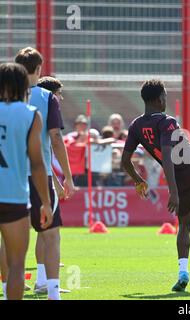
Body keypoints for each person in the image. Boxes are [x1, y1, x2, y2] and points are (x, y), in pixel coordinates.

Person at [121, 79, 190, 292]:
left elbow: (125, 161)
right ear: (161, 99)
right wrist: (172, 193)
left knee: (184, 226)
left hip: (179, 180)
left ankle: (183, 272)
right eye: (165, 98)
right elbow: (169, 156)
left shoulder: (136, 125)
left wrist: (138, 180)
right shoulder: (167, 121)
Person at [15, 47, 75, 300]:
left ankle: (11, 288)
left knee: (10, 234)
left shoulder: (5, 97)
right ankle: (50, 290)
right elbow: (55, 138)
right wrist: (68, 177)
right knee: (49, 232)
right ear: (39, 70)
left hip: (9, 175)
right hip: (38, 175)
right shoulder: (45, 96)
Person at [0, 62, 53, 300]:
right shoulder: (31, 115)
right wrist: (46, 202)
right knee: (16, 266)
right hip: (14, 197)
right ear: (24, 87)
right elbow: (37, 163)